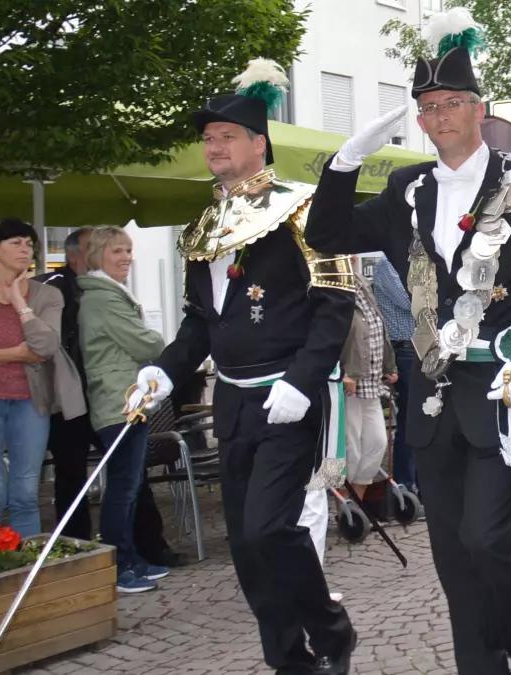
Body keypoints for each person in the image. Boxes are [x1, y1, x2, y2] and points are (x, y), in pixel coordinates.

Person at [304, 12, 511, 674]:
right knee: (452, 556)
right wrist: (346, 163)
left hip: (499, 392)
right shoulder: (408, 188)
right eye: (428, 107)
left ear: (478, 108)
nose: (440, 116)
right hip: (433, 397)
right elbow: (326, 233)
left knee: (489, 539)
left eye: (452, 103)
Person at [127, 59, 358, 674]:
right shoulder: (201, 226)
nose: (213, 148)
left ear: (259, 143)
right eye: (207, 139)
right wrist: (165, 371)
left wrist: (304, 381)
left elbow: (337, 305)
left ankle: (332, 631)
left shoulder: (304, 208)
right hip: (231, 401)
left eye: (226, 136)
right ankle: (289, 661)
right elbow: (201, 323)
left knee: (269, 529)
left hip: (290, 394)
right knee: (247, 549)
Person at [0, 218, 84, 539]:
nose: (25, 249)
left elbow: (45, 347)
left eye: (29, 243)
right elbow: (28, 352)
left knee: (24, 492)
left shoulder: (47, 296)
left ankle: (25, 571)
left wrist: (20, 304)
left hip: (31, 404)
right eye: (15, 242)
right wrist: (16, 353)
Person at [78, 226, 169, 593]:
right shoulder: (103, 298)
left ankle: (129, 558)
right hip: (118, 401)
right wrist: (154, 339)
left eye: (129, 250)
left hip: (127, 399)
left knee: (129, 486)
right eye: (118, 251)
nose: (127, 257)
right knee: (123, 488)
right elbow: (147, 342)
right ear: (98, 255)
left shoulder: (111, 294)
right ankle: (118, 567)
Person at [36, 227, 95, 540]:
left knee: (129, 466)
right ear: (73, 255)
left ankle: (145, 546)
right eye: (92, 248)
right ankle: (76, 543)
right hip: (68, 395)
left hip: (99, 394)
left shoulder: (102, 287)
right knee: (70, 472)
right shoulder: (54, 286)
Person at [341, 270, 397, 502]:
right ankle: (339, 502)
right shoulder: (331, 286)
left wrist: (389, 364)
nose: (353, 256)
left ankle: (357, 504)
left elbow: (377, 328)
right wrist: (344, 372)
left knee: (377, 443)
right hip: (347, 384)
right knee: (347, 450)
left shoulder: (361, 284)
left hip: (371, 382)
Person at [369, 254, 418, 495]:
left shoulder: (411, 263)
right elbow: (412, 302)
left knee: (420, 418)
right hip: (404, 349)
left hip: (418, 347)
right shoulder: (387, 265)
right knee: (410, 420)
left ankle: (418, 485)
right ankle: (404, 485)